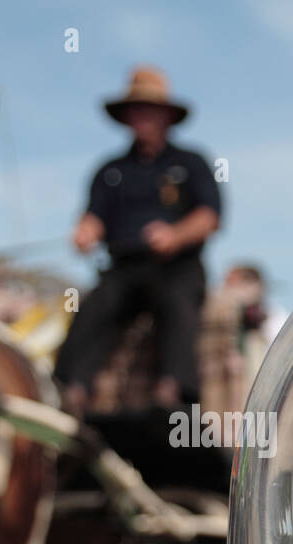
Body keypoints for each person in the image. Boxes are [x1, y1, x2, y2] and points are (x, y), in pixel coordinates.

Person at [54, 66, 222, 415]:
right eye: (137, 109)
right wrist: (86, 232)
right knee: (95, 306)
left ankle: (175, 391)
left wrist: (174, 235)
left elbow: (210, 217)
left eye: (150, 108)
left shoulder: (191, 163)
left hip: (177, 268)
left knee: (178, 301)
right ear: (127, 116)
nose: (143, 116)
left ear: (166, 115)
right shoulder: (110, 170)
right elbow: (93, 216)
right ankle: (72, 389)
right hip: (123, 269)